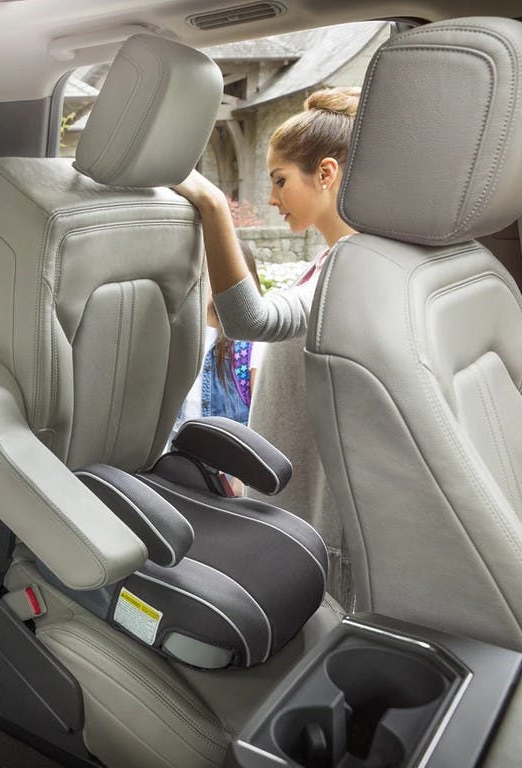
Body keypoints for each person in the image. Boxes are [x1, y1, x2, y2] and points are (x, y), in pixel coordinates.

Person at [172, 87, 360, 608]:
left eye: (280, 180)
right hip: (297, 507)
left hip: (319, 523)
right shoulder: (332, 261)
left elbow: (248, 320)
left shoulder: (351, 267)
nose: (273, 199)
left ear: (326, 174)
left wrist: (211, 203)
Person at [173, 241, 265, 434]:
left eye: (205, 272)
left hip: (229, 451)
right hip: (179, 451)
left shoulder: (250, 345)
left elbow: (264, 421)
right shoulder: (175, 336)